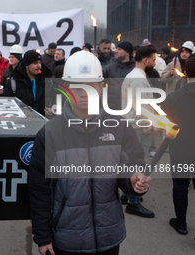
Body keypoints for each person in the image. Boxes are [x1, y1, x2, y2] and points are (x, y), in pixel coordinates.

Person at [28, 50, 151, 255]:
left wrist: (134, 180)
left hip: (109, 237)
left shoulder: (119, 126)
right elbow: (39, 190)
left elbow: (135, 163)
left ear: (101, 87)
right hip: (67, 239)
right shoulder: (50, 133)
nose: (84, 93)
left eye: (91, 85)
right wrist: (42, 236)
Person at [121, 45, 157, 218]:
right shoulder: (138, 78)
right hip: (137, 126)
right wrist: (148, 126)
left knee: (130, 161)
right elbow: (140, 107)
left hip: (133, 124)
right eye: (153, 60)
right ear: (145, 60)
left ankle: (128, 194)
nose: (155, 63)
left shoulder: (134, 75)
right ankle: (133, 201)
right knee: (137, 163)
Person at [161, 54, 195, 235]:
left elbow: (163, 120)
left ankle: (181, 222)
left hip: (181, 147)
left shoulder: (174, 97)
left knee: (181, 186)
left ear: (186, 72)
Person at [3, 49, 52, 116]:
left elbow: (57, 100)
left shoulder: (47, 79)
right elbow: (7, 104)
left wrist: (53, 111)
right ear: (27, 65)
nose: (39, 66)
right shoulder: (13, 81)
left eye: (40, 62)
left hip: (43, 122)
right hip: (22, 122)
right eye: (35, 63)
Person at [103, 41, 135, 110]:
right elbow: (99, 77)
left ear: (127, 53)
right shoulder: (110, 68)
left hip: (130, 110)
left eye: (119, 49)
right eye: (116, 49)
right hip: (112, 109)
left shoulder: (136, 69)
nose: (115, 51)